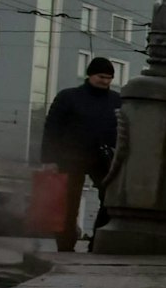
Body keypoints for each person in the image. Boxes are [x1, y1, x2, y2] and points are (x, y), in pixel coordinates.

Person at [40, 57, 120, 252]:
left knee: (111, 198)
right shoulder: (68, 97)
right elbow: (52, 129)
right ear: (90, 75)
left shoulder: (117, 100)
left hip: (102, 158)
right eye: (102, 77)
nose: (105, 81)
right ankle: (65, 245)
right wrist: (49, 159)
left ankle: (97, 242)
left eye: (109, 78)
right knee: (69, 203)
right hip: (70, 158)